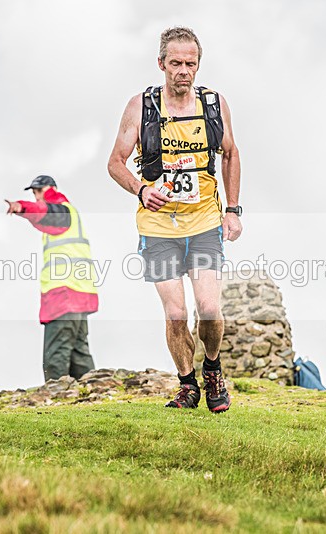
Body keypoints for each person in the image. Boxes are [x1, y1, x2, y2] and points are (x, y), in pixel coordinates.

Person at [107, 26, 242, 412]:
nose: (184, 71)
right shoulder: (142, 106)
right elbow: (115, 162)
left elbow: (231, 154)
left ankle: (212, 370)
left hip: (203, 222)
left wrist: (232, 210)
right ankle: (187, 384)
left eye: (191, 64)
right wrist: (141, 189)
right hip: (158, 226)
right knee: (177, 312)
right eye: (176, 64)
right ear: (161, 64)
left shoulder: (213, 104)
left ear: (198, 65)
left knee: (210, 310)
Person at [5, 175, 98, 381]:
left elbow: (43, 211)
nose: (36, 198)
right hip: (80, 293)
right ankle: (94, 398)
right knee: (79, 354)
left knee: (55, 356)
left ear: (44, 190)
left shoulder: (60, 209)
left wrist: (21, 207)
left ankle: (55, 400)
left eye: (36, 193)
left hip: (63, 293)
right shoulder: (70, 211)